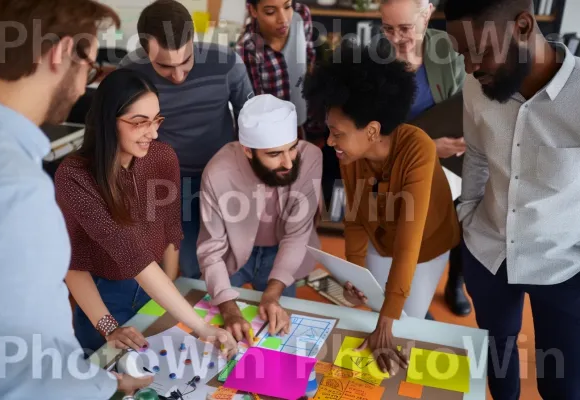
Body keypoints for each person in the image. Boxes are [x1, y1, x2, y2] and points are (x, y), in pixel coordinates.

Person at [0, 0, 154, 398]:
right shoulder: (16, 188)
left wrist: (99, 382)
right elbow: (25, 371)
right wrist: (103, 390)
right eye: (90, 69)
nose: (82, 89)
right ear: (60, 53)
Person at [445, 0, 580, 398]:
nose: (470, 67)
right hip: (488, 253)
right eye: (461, 55)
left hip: (563, 267)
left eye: (480, 52)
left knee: (563, 386)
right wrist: (468, 215)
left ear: (523, 25)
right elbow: (477, 155)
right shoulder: (478, 85)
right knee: (498, 362)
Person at [54, 69, 238, 357]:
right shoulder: (75, 176)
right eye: (140, 123)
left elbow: (170, 233)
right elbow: (76, 266)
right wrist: (109, 327)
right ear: (108, 121)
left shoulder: (162, 158)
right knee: (106, 375)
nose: (152, 133)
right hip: (105, 295)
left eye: (156, 120)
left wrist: (170, 291)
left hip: (159, 288)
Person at [303, 42, 460, 375]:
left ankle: (417, 316)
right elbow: (357, 218)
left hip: (424, 246)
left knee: (400, 326)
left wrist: (388, 322)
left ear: (372, 131)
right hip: (381, 236)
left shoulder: (417, 148)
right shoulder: (351, 153)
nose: (330, 142)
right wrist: (355, 272)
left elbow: (409, 243)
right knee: (372, 306)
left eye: (336, 133)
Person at [120, 0, 254, 279]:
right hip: (163, 182)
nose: (178, 76)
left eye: (186, 61)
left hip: (220, 180)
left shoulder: (227, 63)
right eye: (165, 67)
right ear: (145, 52)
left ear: (193, 41)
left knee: (210, 266)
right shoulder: (130, 73)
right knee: (171, 265)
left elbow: (249, 120)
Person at [197, 94, 322, 343]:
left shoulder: (310, 157)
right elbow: (212, 249)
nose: (288, 162)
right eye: (275, 154)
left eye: (292, 147)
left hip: (282, 252)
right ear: (248, 151)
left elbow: (297, 234)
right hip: (232, 255)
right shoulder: (217, 172)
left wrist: (273, 294)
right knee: (222, 331)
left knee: (280, 333)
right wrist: (229, 309)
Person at [379, 0, 471, 316]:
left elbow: (468, 103)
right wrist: (430, 147)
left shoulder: (451, 51)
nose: (397, 38)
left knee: (464, 218)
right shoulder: (372, 61)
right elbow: (369, 137)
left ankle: (455, 283)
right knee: (413, 231)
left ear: (427, 13)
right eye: (388, 28)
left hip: (455, 164)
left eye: (406, 28)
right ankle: (414, 294)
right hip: (402, 165)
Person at [235, 0, 315, 139]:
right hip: (273, 136)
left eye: (287, 6)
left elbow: (309, 56)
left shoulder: (301, 15)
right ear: (253, 10)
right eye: (270, 12)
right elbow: (255, 111)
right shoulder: (248, 50)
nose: (283, 19)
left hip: (305, 122)